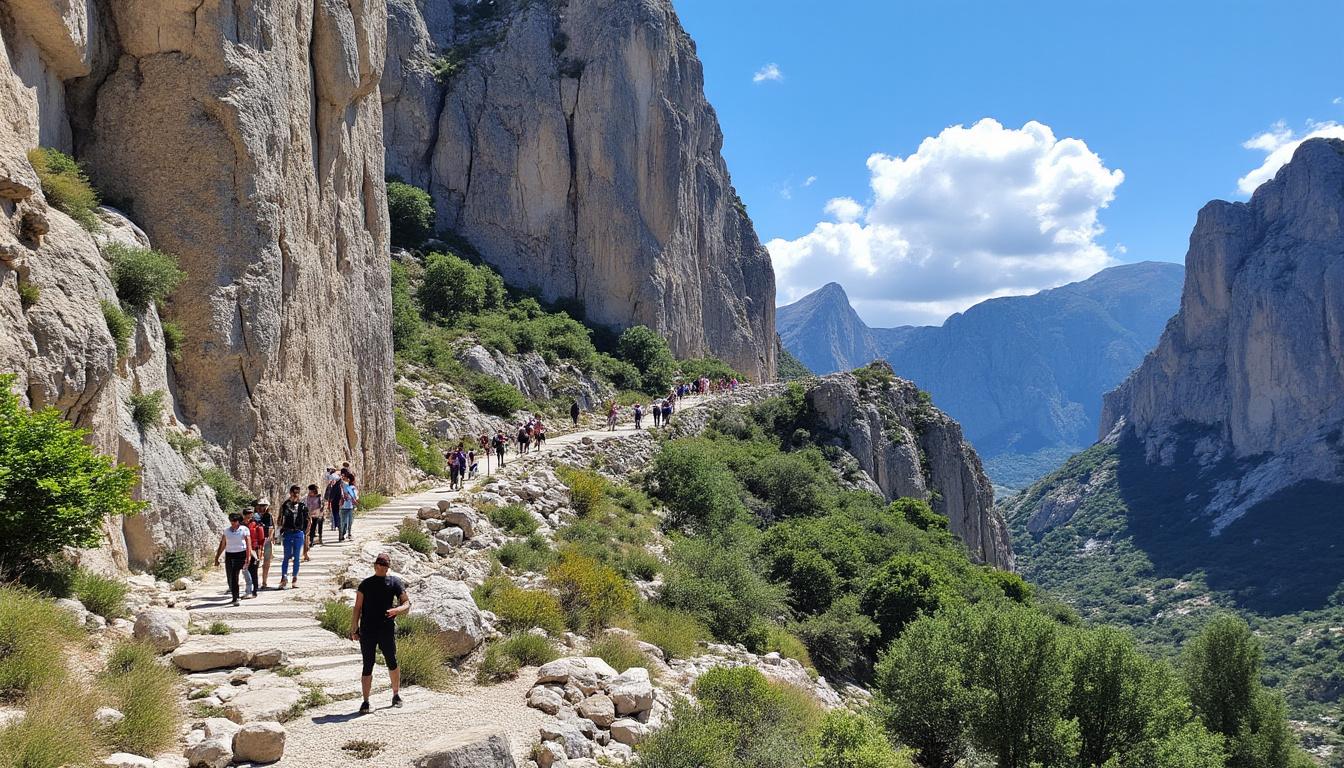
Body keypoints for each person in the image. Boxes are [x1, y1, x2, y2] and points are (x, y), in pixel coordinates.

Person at [351, 553, 410, 714]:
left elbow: (406, 602)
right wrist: (354, 628)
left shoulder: (394, 582)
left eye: (385, 565)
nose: (382, 567)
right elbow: (357, 607)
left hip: (386, 628)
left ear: (388, 567)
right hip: (368, 629)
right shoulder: (365, 584)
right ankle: (365, 701)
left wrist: (397, 610)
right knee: (368, 664)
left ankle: (396, 695)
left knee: (392, 660)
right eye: (380, 564)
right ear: (375, 565)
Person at [214, 513, 254, 607]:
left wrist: (248, 557)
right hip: (230, 555)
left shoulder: (244, 529)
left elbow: (248, 544)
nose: (233, 522)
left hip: (241, 554)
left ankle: (249, 591)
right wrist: (217, 557)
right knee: (233, 577)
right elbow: (222, 545)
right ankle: (235, 597)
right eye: (231, 521)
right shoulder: (226, 531)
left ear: (238, 521)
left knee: (245, 573)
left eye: (235, 521)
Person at [278, 485, 309, 589]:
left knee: (297, 557)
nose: (295, 495)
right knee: (286, 556)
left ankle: (295, 578)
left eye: (297, 493)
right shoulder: (285, 505)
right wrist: (280, 530)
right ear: (290, 493)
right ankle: (284, 577)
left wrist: (305, 532)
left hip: (298, 533)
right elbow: (280, 518)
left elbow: (308, 519)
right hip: (288, 532)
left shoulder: (302, 506)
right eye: (294, 493)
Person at [242, 507, 264, 597]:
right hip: (243, 549)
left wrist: (260, 552)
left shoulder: (256, 524)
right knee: (245, 570)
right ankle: (248, 590)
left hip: (254, 549)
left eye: (250, 514)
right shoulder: (240, 525)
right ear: (244, 515)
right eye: (247, 514)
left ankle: (254, 591)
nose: (249, 516)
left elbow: (261, 539)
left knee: (253, 570)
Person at [253, 497, 275, 588]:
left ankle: (264, 582)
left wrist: (270, 539)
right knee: (255, 563)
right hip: (256, 542)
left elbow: (272, 528)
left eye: (264, 505)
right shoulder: (254, 516)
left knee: (266, 562)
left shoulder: (269, 516)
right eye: (261, 505)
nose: (262, 507)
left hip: (267, 541)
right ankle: (254, 582)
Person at [324, 467, 345, 542]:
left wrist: (329, 504)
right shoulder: (337, 486)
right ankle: (341, 534)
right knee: (339, 519)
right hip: (338, 505)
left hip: (337, 505)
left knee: (338, 518)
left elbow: (331, 497)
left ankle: (341, 533)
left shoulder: (336, 486)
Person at [304, 484, 324, 557]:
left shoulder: (319, 497)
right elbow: (306, 505)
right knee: (310, 528)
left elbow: (322, 506)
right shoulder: (307, 497)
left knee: (315, 527)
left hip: (317, 515)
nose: (309, 492)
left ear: (314, 491)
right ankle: (310, 541)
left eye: (310, 491)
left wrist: (320, 513)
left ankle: (316, 539)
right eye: (309, 491)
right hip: (309, 515)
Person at [340, 470, 358, 540]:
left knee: (344, 522)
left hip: (343, 506)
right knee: (350, 521)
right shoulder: (352, 487)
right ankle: (349, 534)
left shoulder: (342, 485)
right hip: (349, 506)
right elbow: (355, 497)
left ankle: (342, 534)